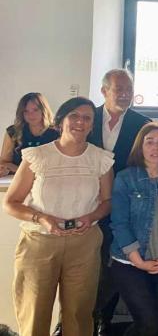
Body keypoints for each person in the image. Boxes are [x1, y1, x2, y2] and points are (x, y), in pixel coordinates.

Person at [3, 97, 114, 336]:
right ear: (60, 121)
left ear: (92, 125)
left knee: (78, 316)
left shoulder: (101, 159)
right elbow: (11, 203)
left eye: (87, 118)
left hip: (84, 244)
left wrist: (92, 216)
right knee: (34, 314)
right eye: (74, 116)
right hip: (39, 244)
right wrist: (41, 218)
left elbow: (107, 202)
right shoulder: (37, 156)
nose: (80, 122)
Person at [88, 68, 151, 334]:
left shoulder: (143, 123)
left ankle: (104, 318)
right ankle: (75, 320)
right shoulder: (86, 118)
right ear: (104, 91)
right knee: (86, 266)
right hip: (86, 206)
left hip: (123, 209)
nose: (125, 94)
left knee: (112, 264)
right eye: (119, 89)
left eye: (129, 89)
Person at [110, 123, 158, 336]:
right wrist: (138, 260)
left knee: (154, 321)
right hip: (129, 262)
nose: (155, 147)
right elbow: (119, 222)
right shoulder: (125, 178)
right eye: (149, 142)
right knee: (148, 322)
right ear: (140, 146)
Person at [0, 92, 58, 177]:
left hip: (49, 178)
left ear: (44, 110)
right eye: (26, 111)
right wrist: (9, 170)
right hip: (18, 178)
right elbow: (4, 162)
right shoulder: (13, 132)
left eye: (35, 110)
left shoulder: (57, 132)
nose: (31, 115)